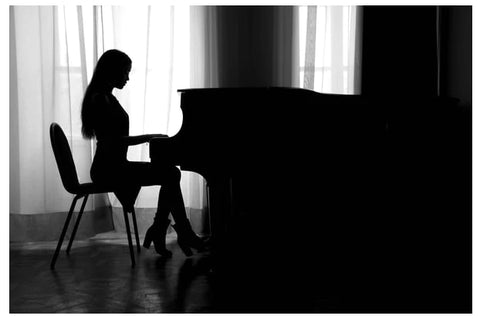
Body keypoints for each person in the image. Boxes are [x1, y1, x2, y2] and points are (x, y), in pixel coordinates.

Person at [81, 49, 204, 257]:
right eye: (125, 72)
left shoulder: (105, 97)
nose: (128, 78)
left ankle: (163, 229)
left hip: (114, 166)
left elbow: (114, 140)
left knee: (170, 173)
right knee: (171, 174)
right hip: (108, 170)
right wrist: (148, 137)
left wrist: (149, 137)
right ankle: (177, 231)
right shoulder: (100, 99)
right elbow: (111, 141)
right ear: (112, 71)